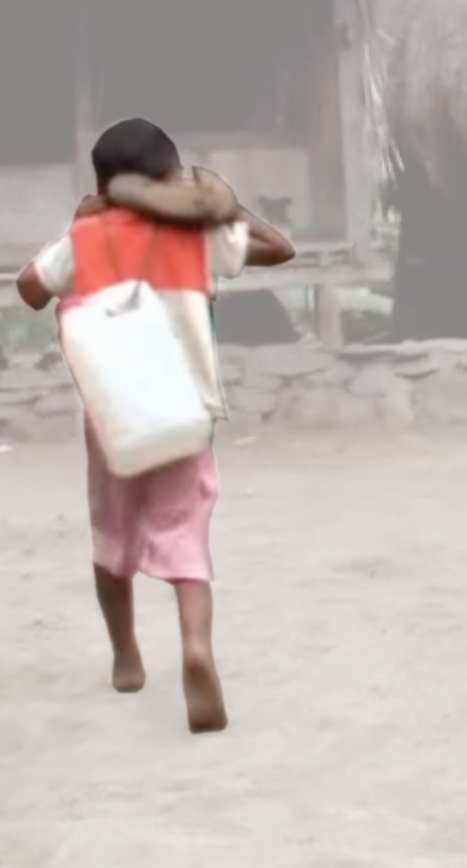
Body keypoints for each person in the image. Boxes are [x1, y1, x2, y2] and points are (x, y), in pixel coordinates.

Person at [16, 118, 294, 733]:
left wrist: (80, 229)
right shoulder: (195, 236)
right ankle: (196, 647)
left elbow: (30, 289)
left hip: (112, 420)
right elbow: (279, 248)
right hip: (185, 413)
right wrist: (221, 206)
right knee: (184, 533)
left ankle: (125, 656)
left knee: (112, 533)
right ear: (170, 178)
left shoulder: (84, 237)